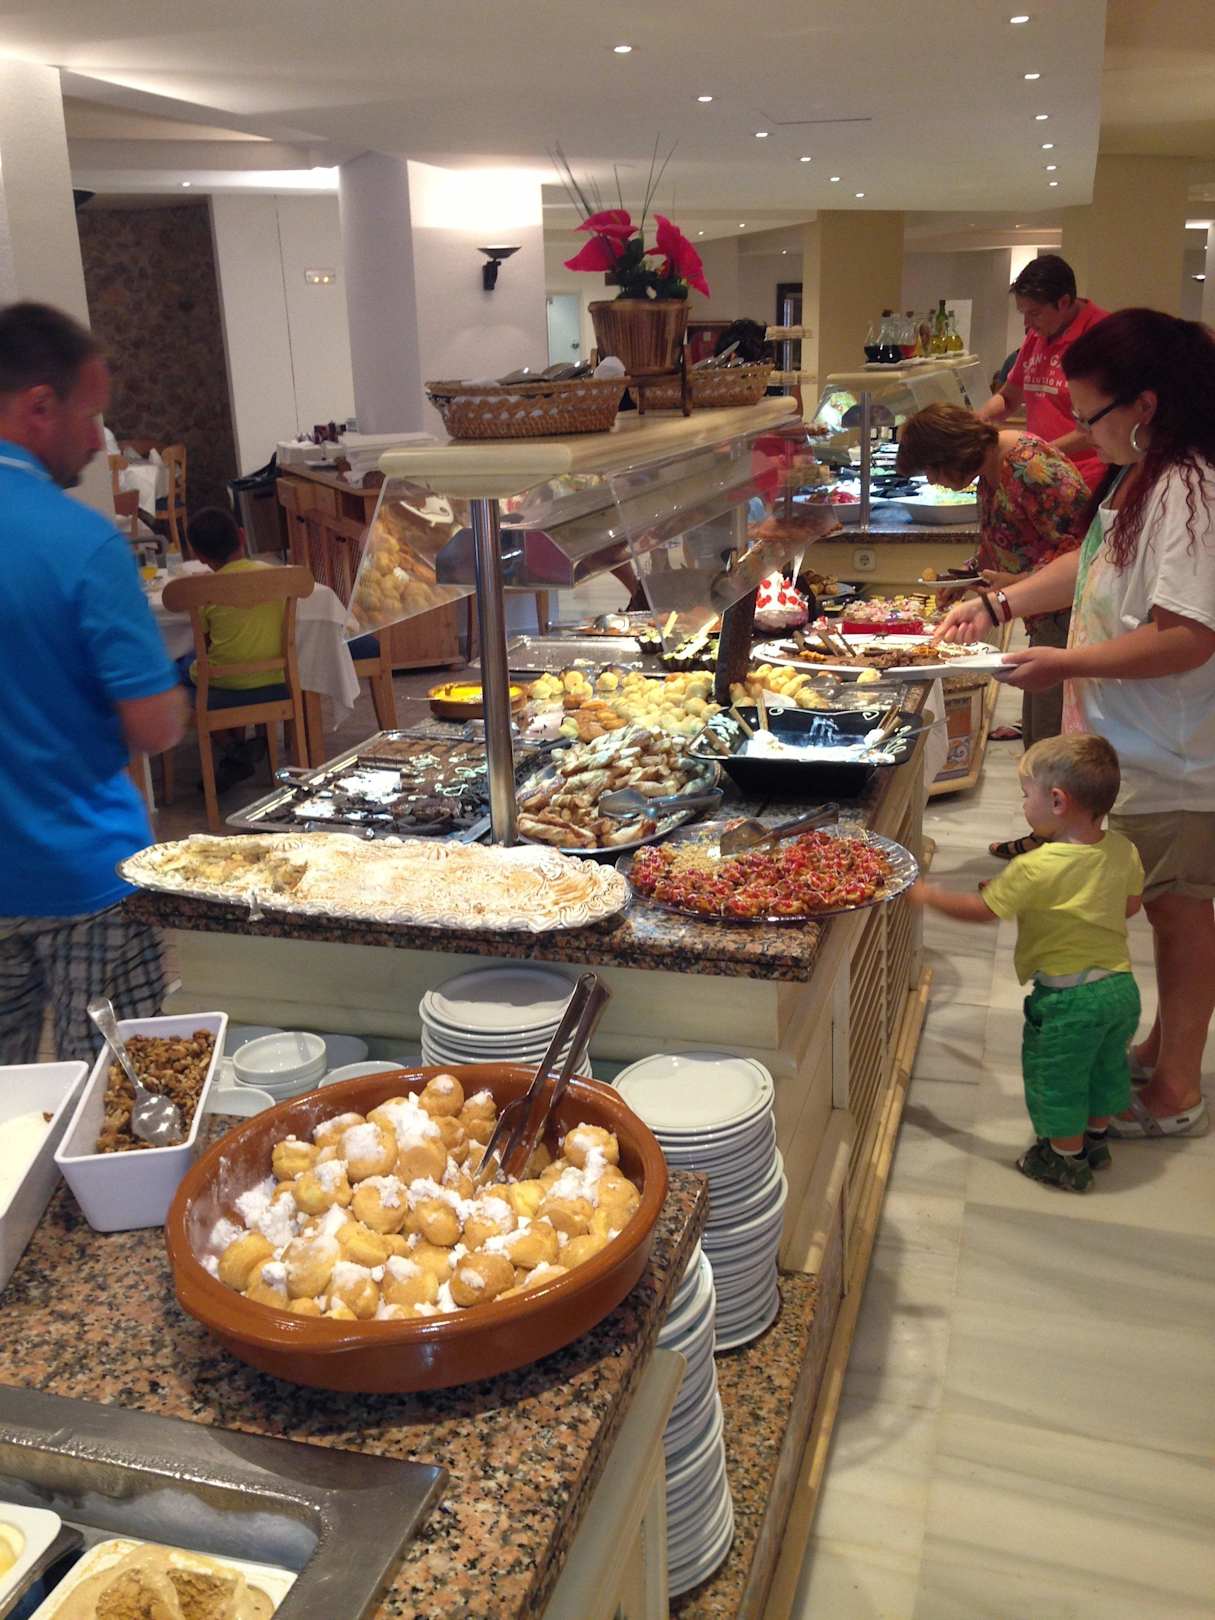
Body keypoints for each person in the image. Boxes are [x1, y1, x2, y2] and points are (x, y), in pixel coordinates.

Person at [935, 308, 1215, 1138]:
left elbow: (1186, 637)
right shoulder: (1139, 475)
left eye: (1091, 415)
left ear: (1145, 405)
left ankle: (1176, 1089)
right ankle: (1162, 1049)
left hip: (1174, 750)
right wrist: (998, 605)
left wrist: (1064, 663)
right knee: (1163, 908)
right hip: (1133, 742)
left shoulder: (1189, 488)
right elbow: (1090, 567)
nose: (1083, 433)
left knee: (1178, 915)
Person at [0, 301, 185, 1064]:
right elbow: (155, 727)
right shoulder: (82, 542)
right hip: (84, 869)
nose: (95, 440)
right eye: (92, 415)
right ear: (40, 405)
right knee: (115, 1091)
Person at [912, 734, 1143, 1192]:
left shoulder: (1035, 866)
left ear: (1057, 801)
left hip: (1068, 1000)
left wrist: (926, 895)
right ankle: (1095, 1141)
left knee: (1058, 1078)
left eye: (1025, 795)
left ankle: (1064, 1161)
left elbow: (981, 911)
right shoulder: (1123, 850)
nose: (1023, 805)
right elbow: (1130, 906)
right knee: (1104, 1068)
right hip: (1120, 990)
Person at [897, 403, 1089, 788]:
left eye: (932, 469)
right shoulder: (990, 470)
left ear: (952, 452)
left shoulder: (1029, 468)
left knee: (1054, 744)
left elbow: (1087, 554)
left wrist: (1015, 583)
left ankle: (1058, 823)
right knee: (1039, 735)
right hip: (1043, 614)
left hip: (1069, 616)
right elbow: (1005, 538)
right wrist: (966, 575)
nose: (933, 480)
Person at [180, 505, 289, 791]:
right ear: (242, 536)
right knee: (225, 659)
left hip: (225, 682)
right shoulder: (276, 576)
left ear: (200, 557)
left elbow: (206, 646)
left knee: (183, 669)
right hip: (276, 676)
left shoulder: (204, 590)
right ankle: (239, 750)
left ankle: (232, 747)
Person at [977, 254, 1109, 492]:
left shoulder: (1101, 335)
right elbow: (1009, 397)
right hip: (1043, 470)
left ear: (1063, 302)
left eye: (1035, 313)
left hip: (1087, 478)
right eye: (1023, 313)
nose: (1027, 323)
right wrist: (977, 421)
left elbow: (1101, 426)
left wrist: (1034, 453)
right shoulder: (1037, 334)